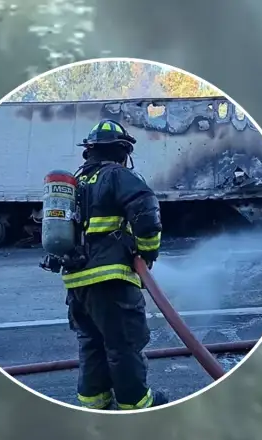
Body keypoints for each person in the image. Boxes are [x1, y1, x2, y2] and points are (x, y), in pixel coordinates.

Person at [63, 119, 168, 410]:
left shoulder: (76, 183)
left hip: (76, 282)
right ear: (122, 151)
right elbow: (146, 211)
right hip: (111, 279)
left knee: (91, 343)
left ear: (90, 151)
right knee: (124, 344)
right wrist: (148, 253)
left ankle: (95, 402)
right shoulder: (117, 175)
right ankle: (136, 404)